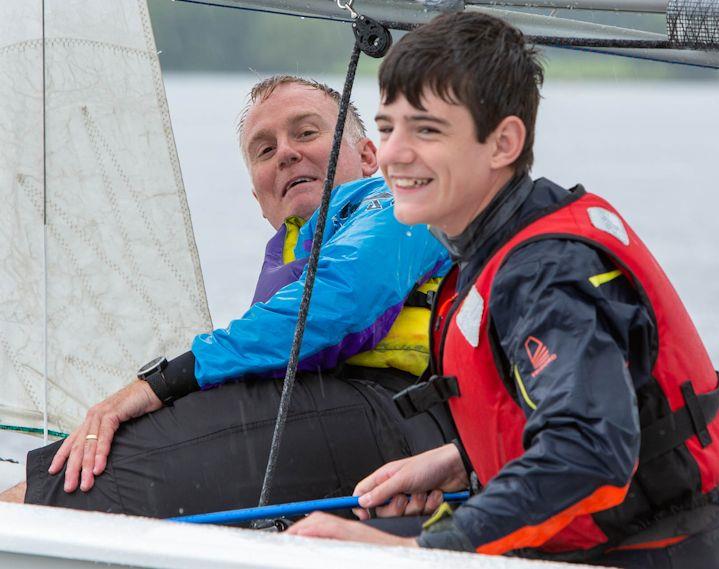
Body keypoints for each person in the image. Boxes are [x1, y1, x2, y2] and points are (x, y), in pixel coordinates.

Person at [286, 13, 719, 568]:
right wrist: (463, 457)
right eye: (387, 128)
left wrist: (419, 549)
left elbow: (592, 449)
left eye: (426, 130)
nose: (393, 155)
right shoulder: (510, 236)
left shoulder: (543, 274)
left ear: (502, 142)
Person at [1, 76, 455, 517]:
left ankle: (26, 516)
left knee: (77, 482)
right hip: (371, 421)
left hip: (404, 415)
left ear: (369, 155)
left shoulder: (399, 202)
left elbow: (340, 302)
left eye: (306, 132)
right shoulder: (301, 248)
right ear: (258, 197)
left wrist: (159, 383)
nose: (286, 153)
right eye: (265, 149)